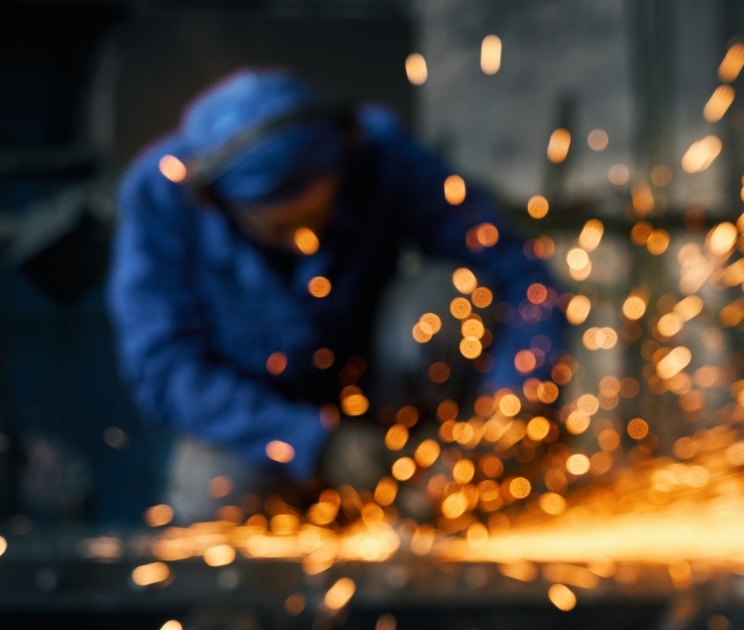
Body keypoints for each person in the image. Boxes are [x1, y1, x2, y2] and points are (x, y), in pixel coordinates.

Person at [106, 70, 565, 524]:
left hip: (384, 391)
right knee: (214, 510)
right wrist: (313, 442)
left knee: (449, 299)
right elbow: (164, 369)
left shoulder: (379, 152)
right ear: (219, 202)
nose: (304, 242)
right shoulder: (163, 196)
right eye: (280, 229)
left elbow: (522, 276)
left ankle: (451, 492)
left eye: (316, 218)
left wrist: (511, 407)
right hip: (258, 417)